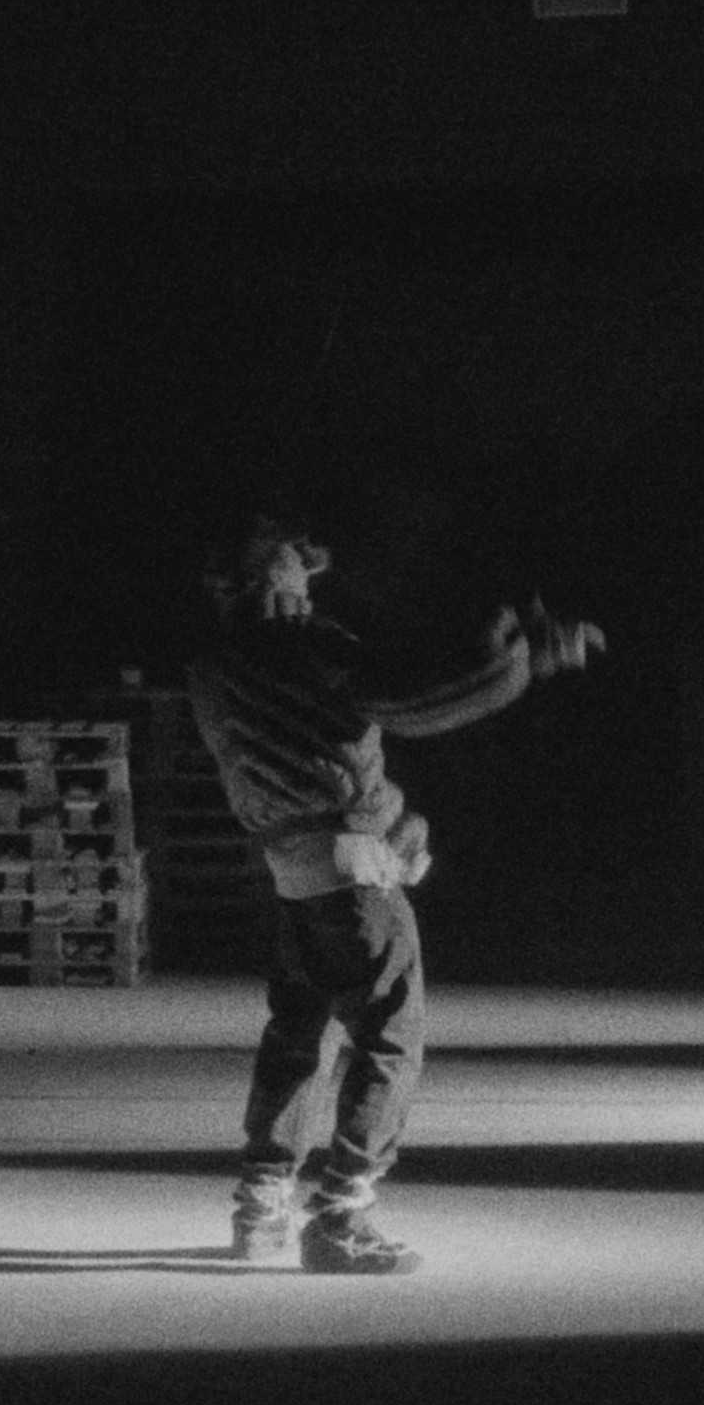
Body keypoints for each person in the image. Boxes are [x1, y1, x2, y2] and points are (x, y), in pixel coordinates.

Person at [186, 514, 605, 1273]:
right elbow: (420, 694)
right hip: (355, 877)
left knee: (296, 1037)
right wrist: (523, 650)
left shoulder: (214, 664)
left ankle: (260, 1205)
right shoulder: (307, 647)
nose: (310, 565)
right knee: (387, 1039)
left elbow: (300, 749)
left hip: (291, 878)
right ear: (267, 575)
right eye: (293, 559)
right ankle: (342, 1214)